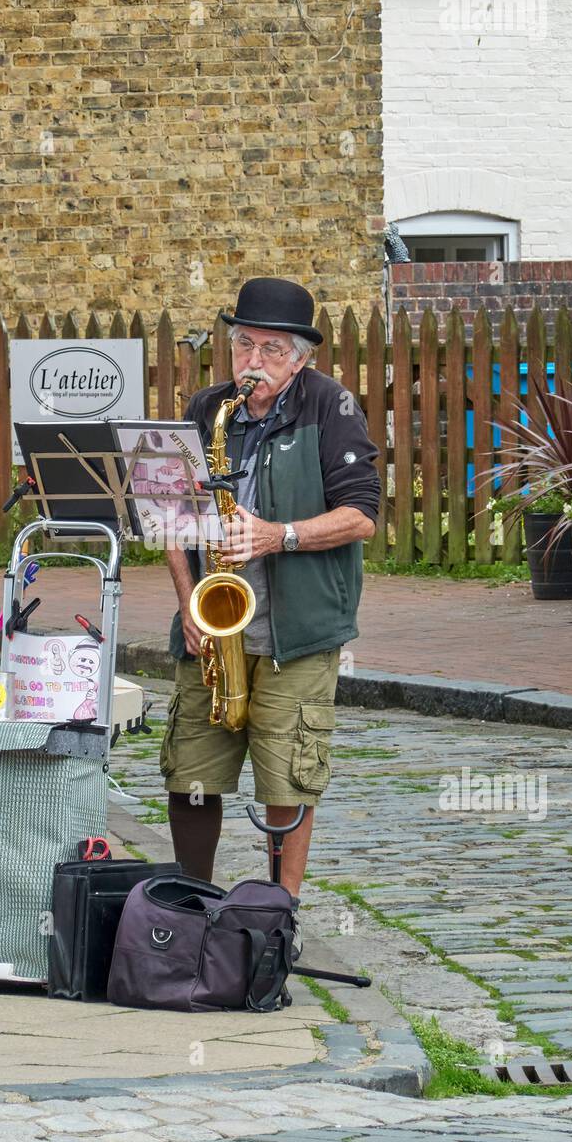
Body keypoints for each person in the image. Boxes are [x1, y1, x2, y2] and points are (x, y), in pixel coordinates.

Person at [160, 277, 381, 956]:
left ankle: (274, 923)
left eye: (270, 348)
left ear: (301, 358)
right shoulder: (206, 407)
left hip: (298, 625)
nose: (253, 359)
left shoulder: (330, 406)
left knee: (286, 776)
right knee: (192, 773)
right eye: (243, 343)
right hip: (214, 625)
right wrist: (187, 606)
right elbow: (171, 519)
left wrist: (276, 535)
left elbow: (363, 516)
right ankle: (192, 913)